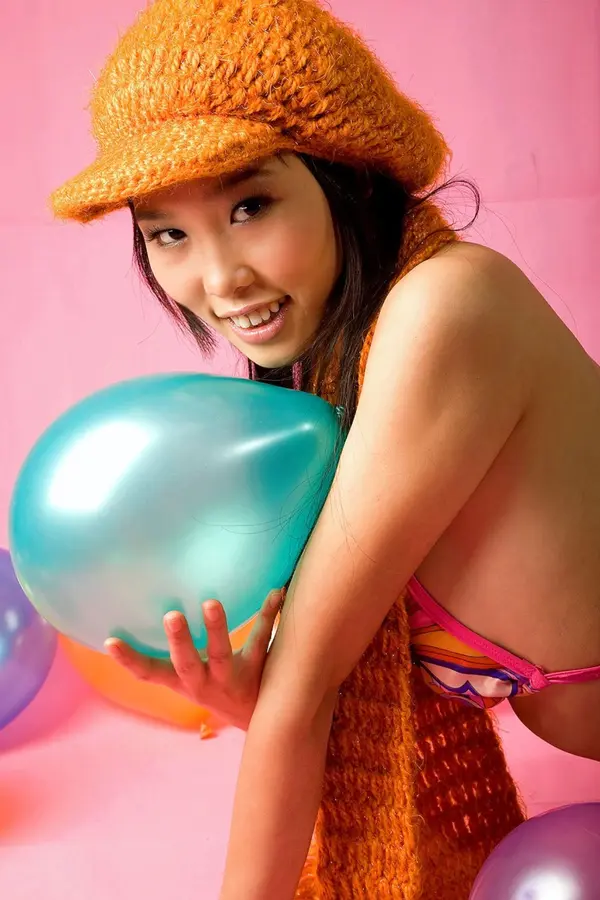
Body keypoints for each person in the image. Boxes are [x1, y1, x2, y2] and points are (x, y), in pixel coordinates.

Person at [50, 0, 600, 897]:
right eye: (168, 232)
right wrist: (264, 696)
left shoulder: (445, 310)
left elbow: (306, 696)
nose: (220, 278)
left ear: (348, 177)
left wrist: (284, 698)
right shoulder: (326, 378)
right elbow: (305, 696)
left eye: (251, 205)